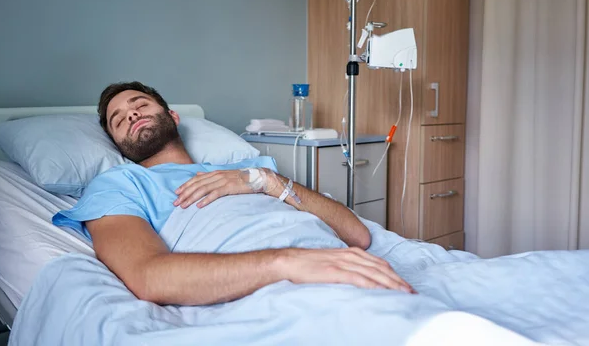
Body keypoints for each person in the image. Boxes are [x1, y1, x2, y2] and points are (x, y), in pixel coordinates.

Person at [53, 81, 414, 307]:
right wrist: (289, 261)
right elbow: (148, 277)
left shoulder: (250, 170)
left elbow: (358, 234)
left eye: (140, 104)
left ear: (173, 116)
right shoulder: (119, 183)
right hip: (275, 287)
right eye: (119, 120)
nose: (131, 114)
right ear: (117, 143)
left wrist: (265, 181)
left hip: (343, 269)